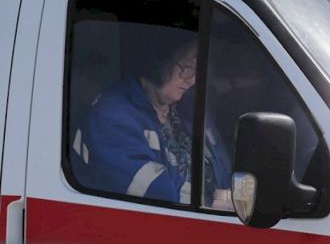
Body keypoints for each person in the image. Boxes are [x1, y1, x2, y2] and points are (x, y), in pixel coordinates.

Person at [81, 30, 229, 206]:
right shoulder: (112, 116)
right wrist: (212, 203)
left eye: (198, 69)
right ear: (158, 60)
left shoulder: (189, 106)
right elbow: (154, 191)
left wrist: (232, 197)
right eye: (188, 67)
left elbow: (222, 166)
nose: (193, 80)